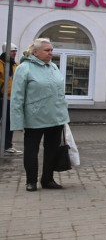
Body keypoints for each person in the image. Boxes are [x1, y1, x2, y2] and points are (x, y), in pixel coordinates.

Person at [10, 38, 70, 191]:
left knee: (52, 150)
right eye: (47, 50)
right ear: (35, 52)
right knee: (31, 151)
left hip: (55, 117)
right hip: (34, 118)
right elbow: (17, 97)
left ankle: (47, 179)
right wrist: (17, 122)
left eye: (51, 50)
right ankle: (31, 181)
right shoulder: (24, 68)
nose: (50, 53)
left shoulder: (53, 67)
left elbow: (59, 92)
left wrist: (63, 114)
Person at [1, 42, 22, 155]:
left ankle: (7, 145)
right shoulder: (1, 64)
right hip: (1, 97)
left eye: (15, 51)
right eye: (12, 51)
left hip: (11, 98)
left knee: (9, 123)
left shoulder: (16, 65)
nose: (14, 53)